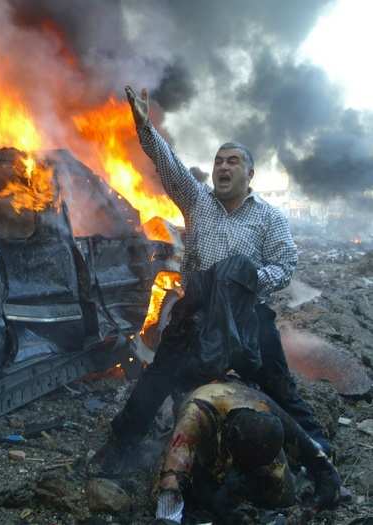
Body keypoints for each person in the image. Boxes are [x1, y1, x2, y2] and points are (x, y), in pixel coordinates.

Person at [108, 86, 331, 456]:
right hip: (194, 313)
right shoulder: (197, 200)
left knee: (279, 386)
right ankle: (120, 448)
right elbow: (169, 165)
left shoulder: (269, 218)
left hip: (248, 316)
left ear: (250, 173)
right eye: (218, 161)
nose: (222, 167)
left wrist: (247, 280)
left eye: (232, 161)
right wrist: (145, 127)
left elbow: (285, 263)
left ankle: (317, 451)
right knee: (154, 382)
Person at [151, 380, 340, 524]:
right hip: (207, 446)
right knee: (202, 495)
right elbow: (172, 478)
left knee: (282, 496)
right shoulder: (196, 415)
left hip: (247, 442)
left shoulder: (265, 409)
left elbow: (317, 459)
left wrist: (315, 501)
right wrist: (169, 517)